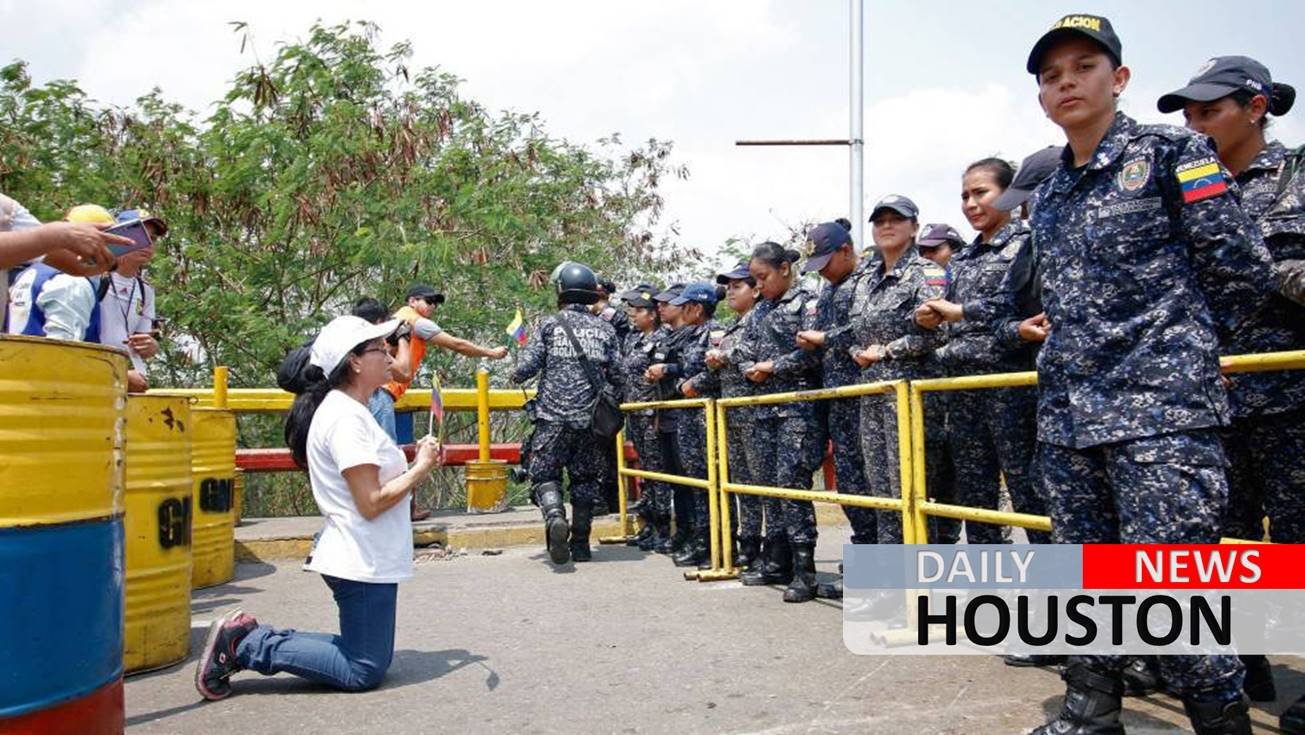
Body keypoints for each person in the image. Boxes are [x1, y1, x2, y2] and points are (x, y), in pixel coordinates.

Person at [1022, 15, 1274, 733]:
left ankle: (1219, 721)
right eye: (1050, 75)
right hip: (1069, 415)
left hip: (1159, 413)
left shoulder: (1173, 153)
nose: (1065, 82)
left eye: (1082, 66)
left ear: (1119, 78)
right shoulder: (1052, 193)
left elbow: (1240, 268)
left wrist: (1183, 353)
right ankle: (1089, 709)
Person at [1158, 54, 1305, 718]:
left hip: (1291, 396)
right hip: (1212, 399)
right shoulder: (1186, 187)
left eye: (1207, 111)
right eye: (1186, 114)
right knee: (1228, 541)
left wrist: (1263, 269)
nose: (1194, 124)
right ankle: (1245, 664)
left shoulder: (1296, 177)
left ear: (1254, 107)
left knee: (1298, 539)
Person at [195, 315, 441, 700]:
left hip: (369, 554)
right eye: (379, 349)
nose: (389, 355)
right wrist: (421, 468)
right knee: (362, 668)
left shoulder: (351, 410)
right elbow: (371, 503)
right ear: (355, 361)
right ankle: (246, 645)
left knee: (368, 658)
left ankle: (251, 638)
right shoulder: (345, 418)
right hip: (360, 557)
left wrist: (414, 464)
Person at [931, 160, 1049, 546]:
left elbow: (1019, 305)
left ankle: (1052, 590)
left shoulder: (1026, 244)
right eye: (965, 195)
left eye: (980, 192)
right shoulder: (962, 259)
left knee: (1028, 489)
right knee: (975, 493)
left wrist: (963, 313)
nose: (970, 203)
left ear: (1009, 194)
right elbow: (954, 317)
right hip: (962, 387)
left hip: (1010, 385)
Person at [848, 196, 949, 549]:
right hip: (872, 397)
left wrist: (888, 351)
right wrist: (857, 353)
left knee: (913, 491)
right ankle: (893, 586)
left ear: (914, 228)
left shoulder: (928, 273)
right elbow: (853, 330)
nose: (887, 226)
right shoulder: (864, 281)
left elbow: (940, 332)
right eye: (880, 220)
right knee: (883, 496)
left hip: (911, 397)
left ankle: (923, 584)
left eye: (896, 219)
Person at [510, 262, 623, 565]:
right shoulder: (605, 328)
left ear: (560, 290)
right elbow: (619, 375)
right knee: (584, 479)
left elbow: (528, 367)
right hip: (589, 421)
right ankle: (582, 543)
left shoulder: (549, 324)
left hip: (552, 419)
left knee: (544, 474)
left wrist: (515, 374)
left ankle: (555, 515)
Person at [373, 283, 508, 520]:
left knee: (379, 454)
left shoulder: (395, 320)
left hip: (372, 392)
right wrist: (491, 352)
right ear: (412, 301)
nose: (433, 306)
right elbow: (457, 345)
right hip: (381, 394)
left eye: (435, 302)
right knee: (387, 457)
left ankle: (402, 509)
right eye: (428, 301)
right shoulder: (417, 322)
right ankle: (398, 511)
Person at [793, 222, 878, 596]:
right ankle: (865, 565)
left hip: (869, 397)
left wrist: (827, 339)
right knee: (852, 486)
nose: (823, 271)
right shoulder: (826, 293)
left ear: (847, 250)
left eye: (827, 261)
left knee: (878, 488)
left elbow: (868, 328)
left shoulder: (868, 282)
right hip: (836, 399)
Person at [737, 242, 822, 603]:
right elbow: (743, 350)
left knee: (791, 485)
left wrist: (774, 367)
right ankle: (778, 559)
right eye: (754, 279)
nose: (758, 285)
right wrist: (747, 367)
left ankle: (806, 570)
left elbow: (814, 353)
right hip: (762, 410)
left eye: (763, 277)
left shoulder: (808, 301)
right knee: (768, 486)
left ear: (785, 268)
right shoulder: (759, 311)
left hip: (796, 409)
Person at [691, 262, 761, 568]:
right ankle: (747, 547)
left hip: (758, 416)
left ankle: (768, 552)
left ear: (756, 289)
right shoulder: (731, 325)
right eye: (728, 286)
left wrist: (725, 357)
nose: (731, 292)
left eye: (738, 286)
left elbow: (757, 355)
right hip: (732, 416)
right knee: (741, 485)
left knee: (760, 488)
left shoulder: (761, 319)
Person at [650, 282, 723, 568]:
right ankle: (703, 542)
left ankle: (719, 545)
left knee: (714, 485)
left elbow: (716, 372)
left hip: (707, 416)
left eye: (685, 305)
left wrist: (690, 383)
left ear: (697, 308)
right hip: (690, 418)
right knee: (697, 484)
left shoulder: (713, 334)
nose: (680, 310)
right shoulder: (689, 336)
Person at [0, 193, 120, 327]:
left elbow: (72, 263)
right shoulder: (70, 284)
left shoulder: (8, 209)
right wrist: (56, 236)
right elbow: (63, 340)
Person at [615, 283, 672, 552]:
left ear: (652, 314)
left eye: (638, 309)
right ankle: (648, 524)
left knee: (658, 471)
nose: (632, 314)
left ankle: (663, 526)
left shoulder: (663, 338)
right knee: (646, 470)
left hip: (653, 413)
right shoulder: (631, 339)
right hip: (634, 413)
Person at [95, 208, 166, 393]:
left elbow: (145, 341)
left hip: (133, 384)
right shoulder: (94, 280)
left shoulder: (145, 291)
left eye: (153, 238)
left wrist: (151, 346)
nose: (148, 243)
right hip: (97, 380)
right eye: (140, 235)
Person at [649, 283, 692, 553]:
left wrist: (669, 368)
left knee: (692, 482)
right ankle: (685, 533)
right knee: (678, 481)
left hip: (686, 417)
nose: (660, 308)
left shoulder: (693, 335)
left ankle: (701, 538)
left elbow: (694, 366)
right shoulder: (668, 337)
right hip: (667, 415)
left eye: (666, 303)